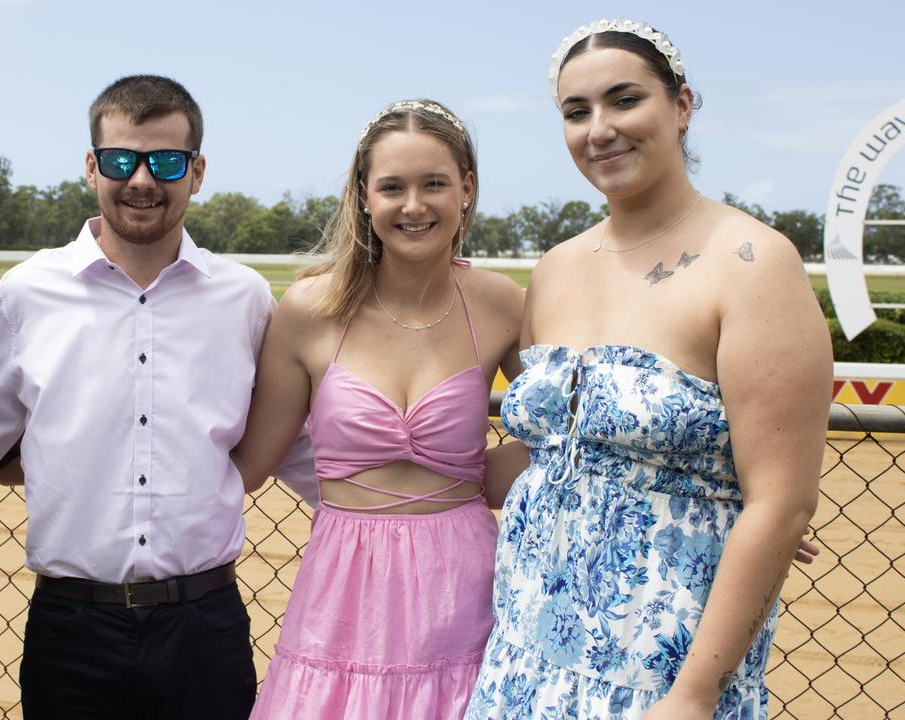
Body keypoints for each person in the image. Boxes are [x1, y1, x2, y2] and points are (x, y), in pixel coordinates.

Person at [463, 19, 831, 719]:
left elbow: (780, 504)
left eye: (624, 100)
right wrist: (396, 462)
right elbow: (554, 455)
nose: (599, 129)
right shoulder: (555, 269)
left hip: (660, 672)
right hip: (521, 653)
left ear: (682, 105)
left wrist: (693, 695)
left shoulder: (753, 264)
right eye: (577, 112)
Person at [0, 75, 312, 719]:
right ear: (92, 167)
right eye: (121, 159)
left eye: (166, 160)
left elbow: (297, 446)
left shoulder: (245, 299)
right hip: (71, 626)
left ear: (196, 173)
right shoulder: (28, 293)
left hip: (204, 623)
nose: (142, 179)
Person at [232, 99, 526, 719]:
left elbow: (565, 440)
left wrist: (471, 474)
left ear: (467, 190)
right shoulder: (312, 309)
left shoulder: (503, 304)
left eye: (435, 184)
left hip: (464, 582)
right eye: (392, 186)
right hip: (344, 588)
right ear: (364, 195)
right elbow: (250, 464)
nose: (413, 206)